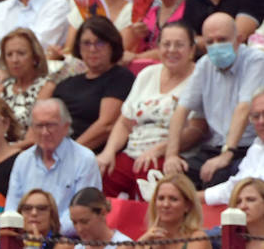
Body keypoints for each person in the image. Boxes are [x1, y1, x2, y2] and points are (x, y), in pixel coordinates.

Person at [96, 21, 197, 200]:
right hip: (133, 151)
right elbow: (125, 122)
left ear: (191, 50)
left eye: (179, 45)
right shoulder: (147, 74)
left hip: (168, 154)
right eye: (166, 44)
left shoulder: (198, 78)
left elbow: (197, 130)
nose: (172, 50)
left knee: (149, 180)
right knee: (101, 175)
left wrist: (159, 150)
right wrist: (109, 151)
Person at [162, 13, 264, 188]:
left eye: (222, 39)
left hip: (244, 148)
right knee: (175, 180)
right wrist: (171, 155)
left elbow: (244, 108)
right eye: (210, 42)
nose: (216, 46)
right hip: (213, 147)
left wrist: (227, 153)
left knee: (217, 177)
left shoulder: (256, 61)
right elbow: (181, 110)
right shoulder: (204, 64)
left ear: (239, 39)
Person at [6, 99, 102, 233]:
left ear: (66, 127)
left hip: (66, 240)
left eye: (50, 125)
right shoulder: (23, 160)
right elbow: (12, 207)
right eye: (39, 126)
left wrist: (48, 232)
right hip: (25, 236)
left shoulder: (84, 159)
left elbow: (86, 210)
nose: (45, 132)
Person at [53, 17, 135, 153]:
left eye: (100, 43)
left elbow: (106, 126)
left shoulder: (120, 77)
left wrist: (68, 153)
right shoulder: (66, 84)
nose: (92, 49)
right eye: (86, 43)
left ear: (112, 45)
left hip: (90, 155)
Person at [129, 172, 214, 249]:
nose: (165, 205)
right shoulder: (148, 240)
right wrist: (140, 246)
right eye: (161, 198)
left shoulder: (197, 238)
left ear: (187, 206)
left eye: (173, 199)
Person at [52, 187, 133, 249]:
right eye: (74, 222)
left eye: (85, 221)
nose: (79, 229)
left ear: (102, 213)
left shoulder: (122, 247)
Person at [203, 88, 264, 207]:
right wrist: (191, 197)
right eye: (256, 116)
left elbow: (254, 190)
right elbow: (236, 187)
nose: (261, 121)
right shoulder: (257, 147)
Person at [0, 28, 53, 140]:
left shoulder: (46, 86)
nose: (15, 60)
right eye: (9, 55)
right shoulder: (2, 88)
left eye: (21, 53)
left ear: (35, 57)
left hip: (25, 151)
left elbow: (32, 139)